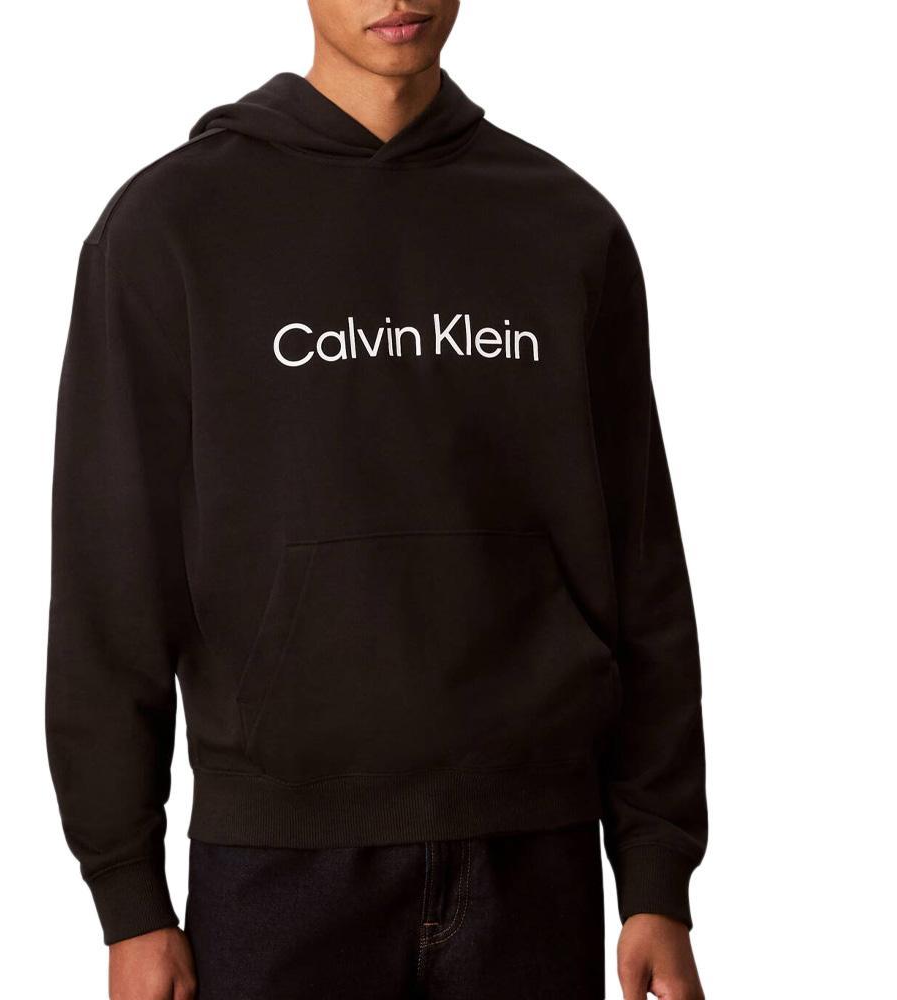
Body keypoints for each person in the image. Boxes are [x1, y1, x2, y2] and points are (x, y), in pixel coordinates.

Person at [46, 1, 707, 997]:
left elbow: (641, 559)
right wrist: (128, 894)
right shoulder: (171, 227)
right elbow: (112, 567)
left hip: (534, 856)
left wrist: (654, 872)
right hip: (278, 868)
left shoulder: (566, 226)